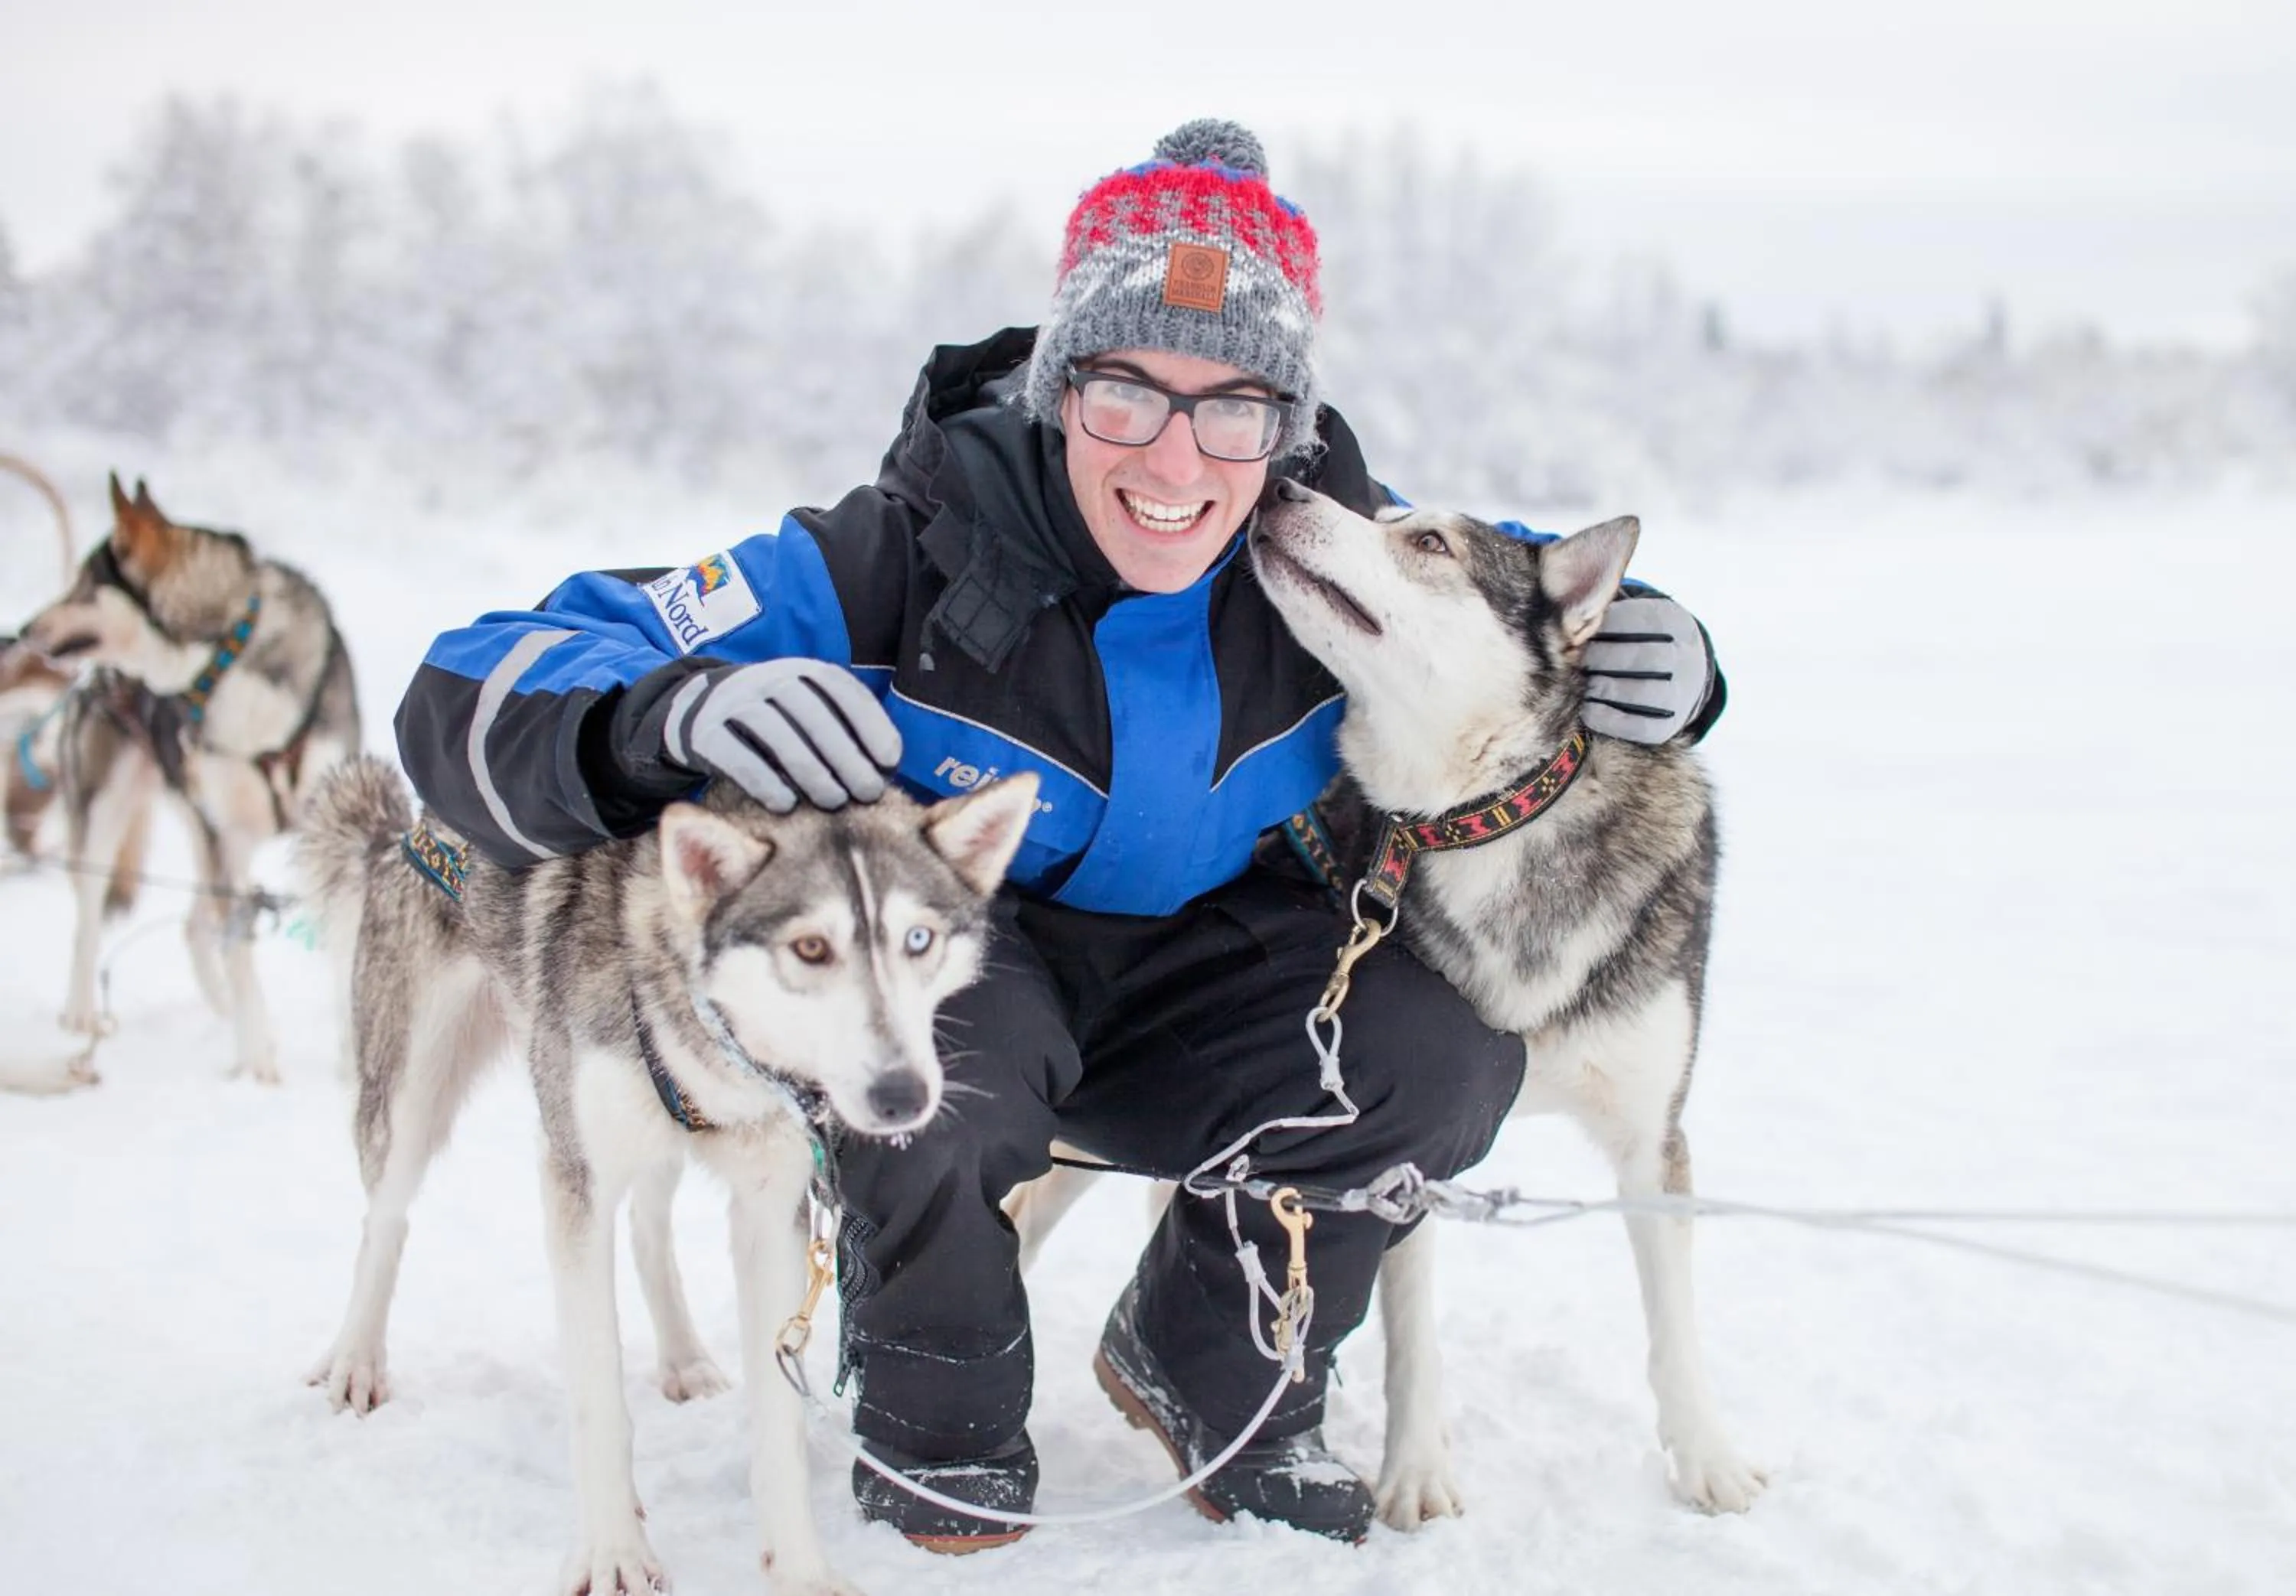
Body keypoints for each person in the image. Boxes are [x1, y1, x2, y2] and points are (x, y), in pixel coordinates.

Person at [394, 119, 1724, 1549]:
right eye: (1126, 395)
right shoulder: (899, 548)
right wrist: (664, 716)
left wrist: (1681, 659)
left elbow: (1517, 592)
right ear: (1055, 388)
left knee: (1438, 1051)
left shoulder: (1318, 544)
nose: (1178, 455)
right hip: (978, 958)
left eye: (1233, 408)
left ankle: (1220, 1367)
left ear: (1281, 427)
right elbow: (472, 674)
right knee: (930, 1033)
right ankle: (937, 1412)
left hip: (1216, 973)